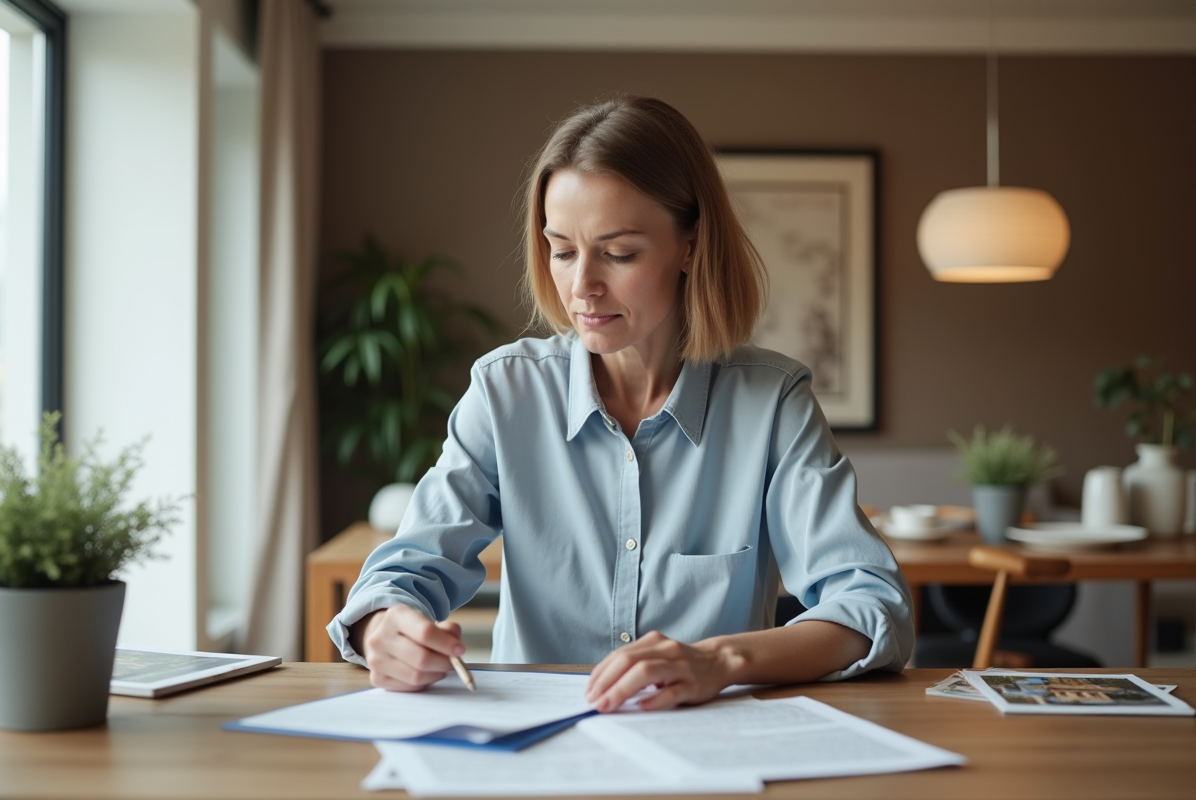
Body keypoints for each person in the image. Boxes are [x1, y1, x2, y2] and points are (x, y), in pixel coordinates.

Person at [328, 95, 913, 713]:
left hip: (708, 747)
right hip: (532, 751)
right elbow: (402, 574)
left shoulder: (772, 406)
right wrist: (386, 627)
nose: (582, 286)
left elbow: (873, 606)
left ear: (690, 247)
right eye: (561, 250)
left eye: (619, 252)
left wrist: (719, 659)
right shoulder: (505, 394)